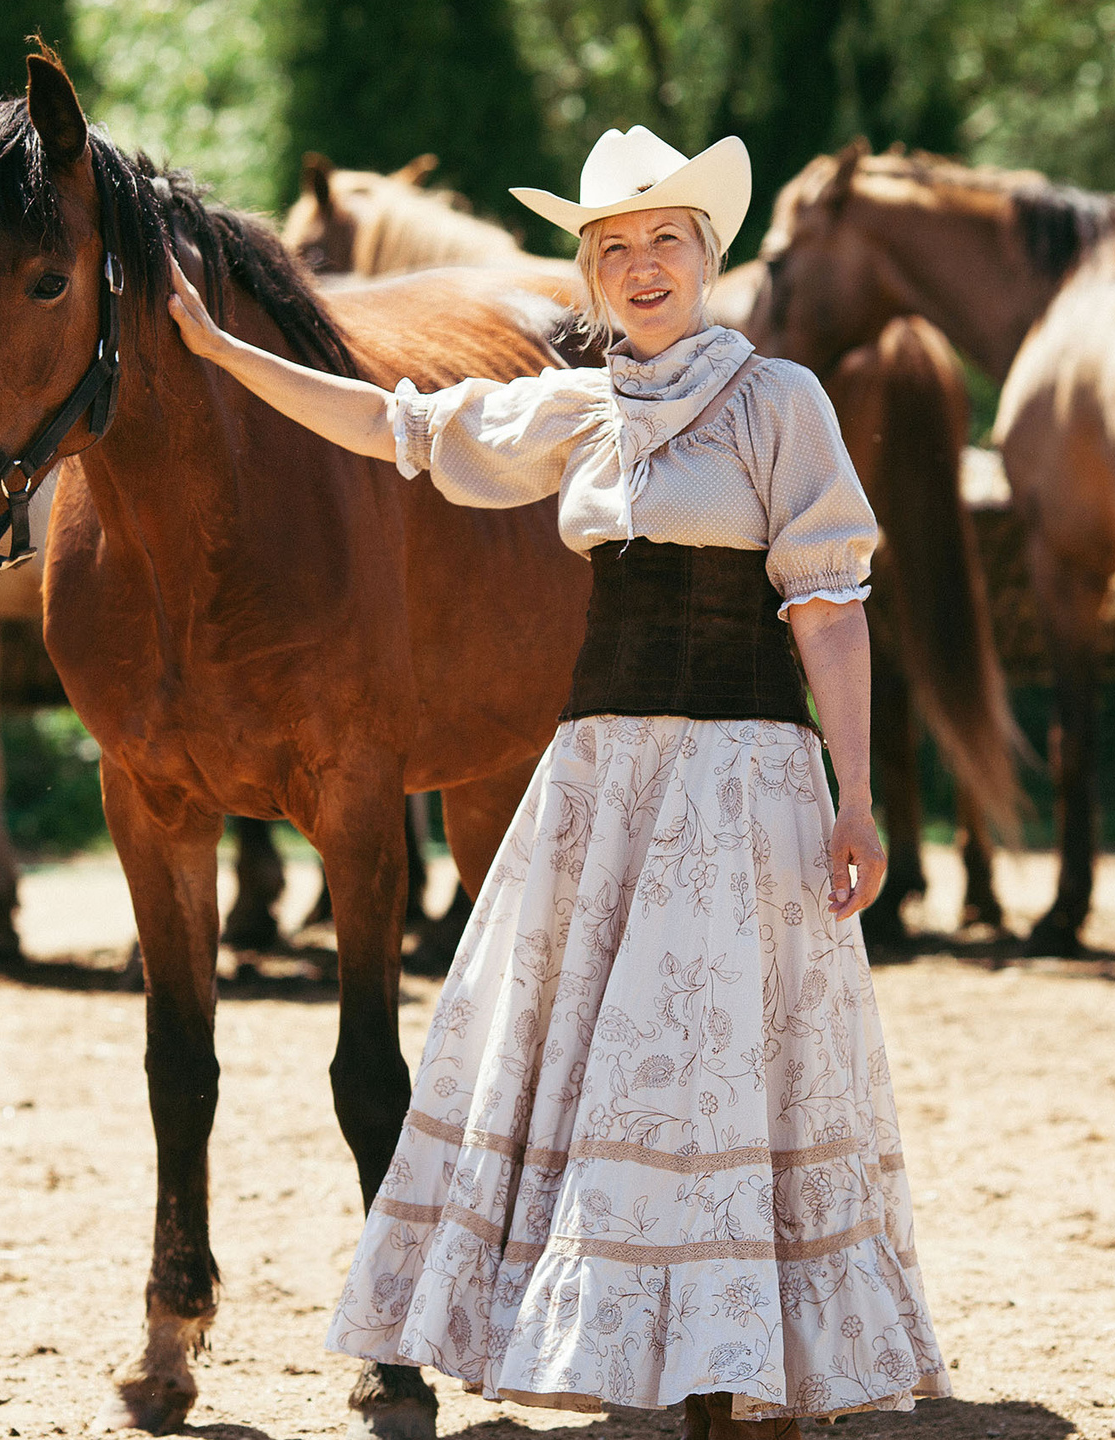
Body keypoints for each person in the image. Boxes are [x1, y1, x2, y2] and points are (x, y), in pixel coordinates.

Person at [165, 126, 945, 1439]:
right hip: (599, 777)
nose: (642, 269)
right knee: (602, 1070)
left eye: (665, 243)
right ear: (590, 274)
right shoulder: (574, 408)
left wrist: (853, 798)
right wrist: (223, 353)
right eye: (614, 249)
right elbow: (389, 426)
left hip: (740, 776)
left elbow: (829, 608)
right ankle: (654, 1355)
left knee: (718, 1068)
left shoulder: (781, 405)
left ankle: (735, 1372)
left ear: (710, 256)